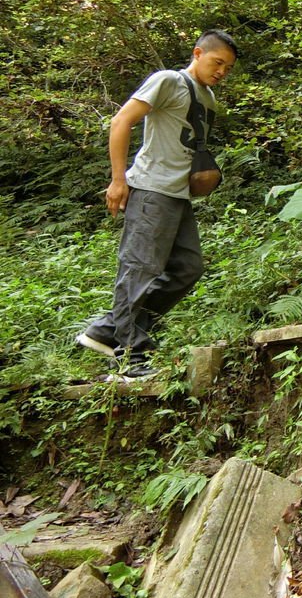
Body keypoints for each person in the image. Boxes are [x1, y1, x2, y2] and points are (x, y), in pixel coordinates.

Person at [76, 30, 238, 380]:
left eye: (228, 67)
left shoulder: (207, 97)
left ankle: (108, 329)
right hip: (151, 189)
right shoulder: (168, 81)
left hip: (178, 196)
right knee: (139, 269)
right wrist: (119, 180)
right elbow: (121, 121)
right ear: (198, 53)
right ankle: (128, 357)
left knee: (187, 268)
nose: (222, 71)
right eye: (217, 62)